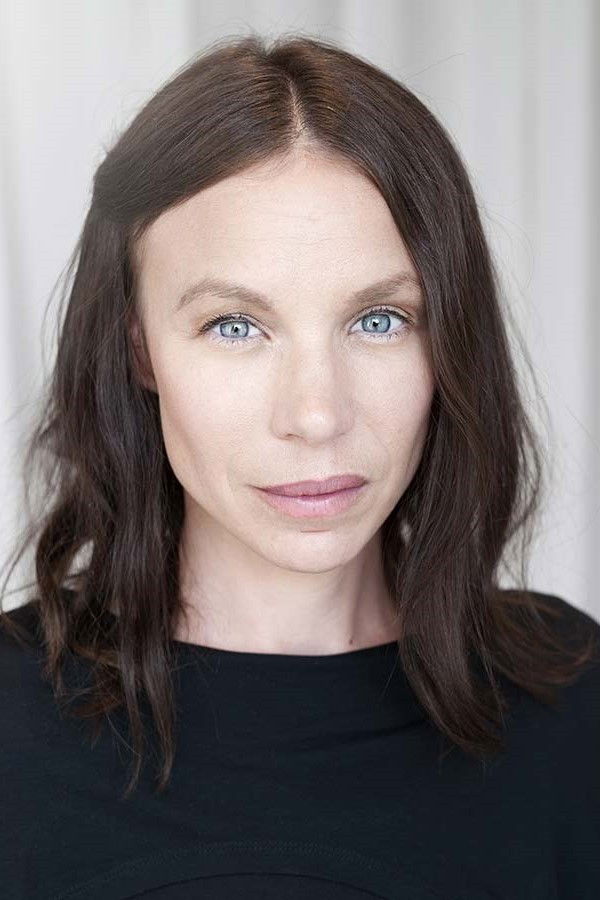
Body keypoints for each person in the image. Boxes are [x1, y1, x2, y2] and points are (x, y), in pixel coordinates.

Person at [1, 32, 598, 900]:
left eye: (379, 320)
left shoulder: (573, 707)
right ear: (138, 350)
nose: (317, 416)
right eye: (235, 326)